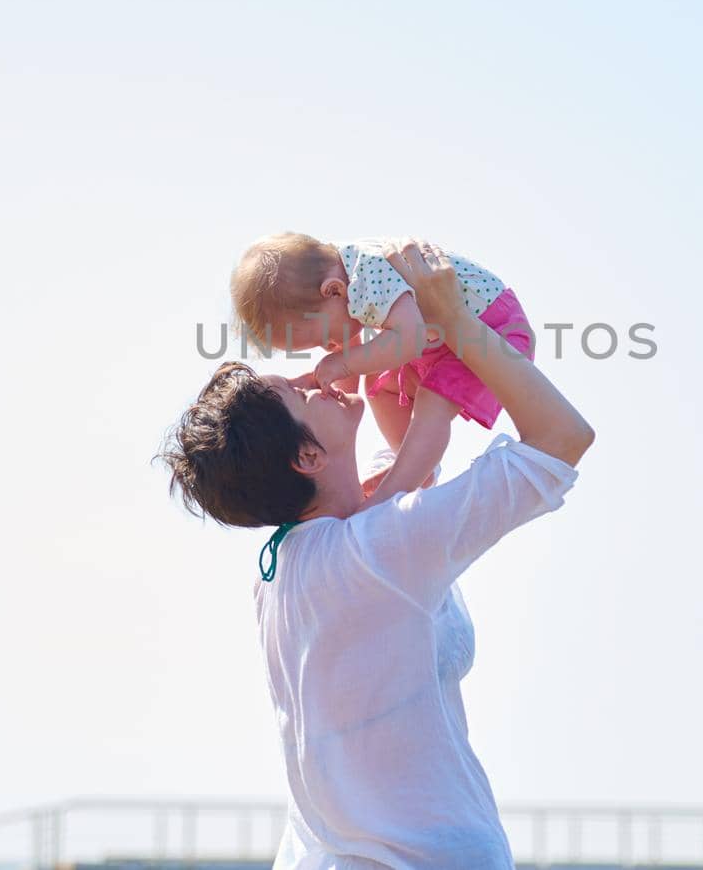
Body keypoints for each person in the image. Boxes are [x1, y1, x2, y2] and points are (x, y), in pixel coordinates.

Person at [164, 239, 594, 869]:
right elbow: (563, 439)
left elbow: (403, 471)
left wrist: (395, 338)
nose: (320, 374)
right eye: (302, 391)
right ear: (306, 457)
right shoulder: (380, 549)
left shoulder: (282, 570)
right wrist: (457, 322)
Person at [228, 232, 535, 510]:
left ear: (333, 291)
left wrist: (343, 364)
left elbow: (410, 339)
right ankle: (413, 464)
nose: (329, 347)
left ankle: (390, 494)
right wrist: (335, 393)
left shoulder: (368, 274)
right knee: (380, 383)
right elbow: (351, 353)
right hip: (446, 339)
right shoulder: (346, 278)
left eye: (323, 338)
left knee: (432, 403)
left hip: (492, 329)